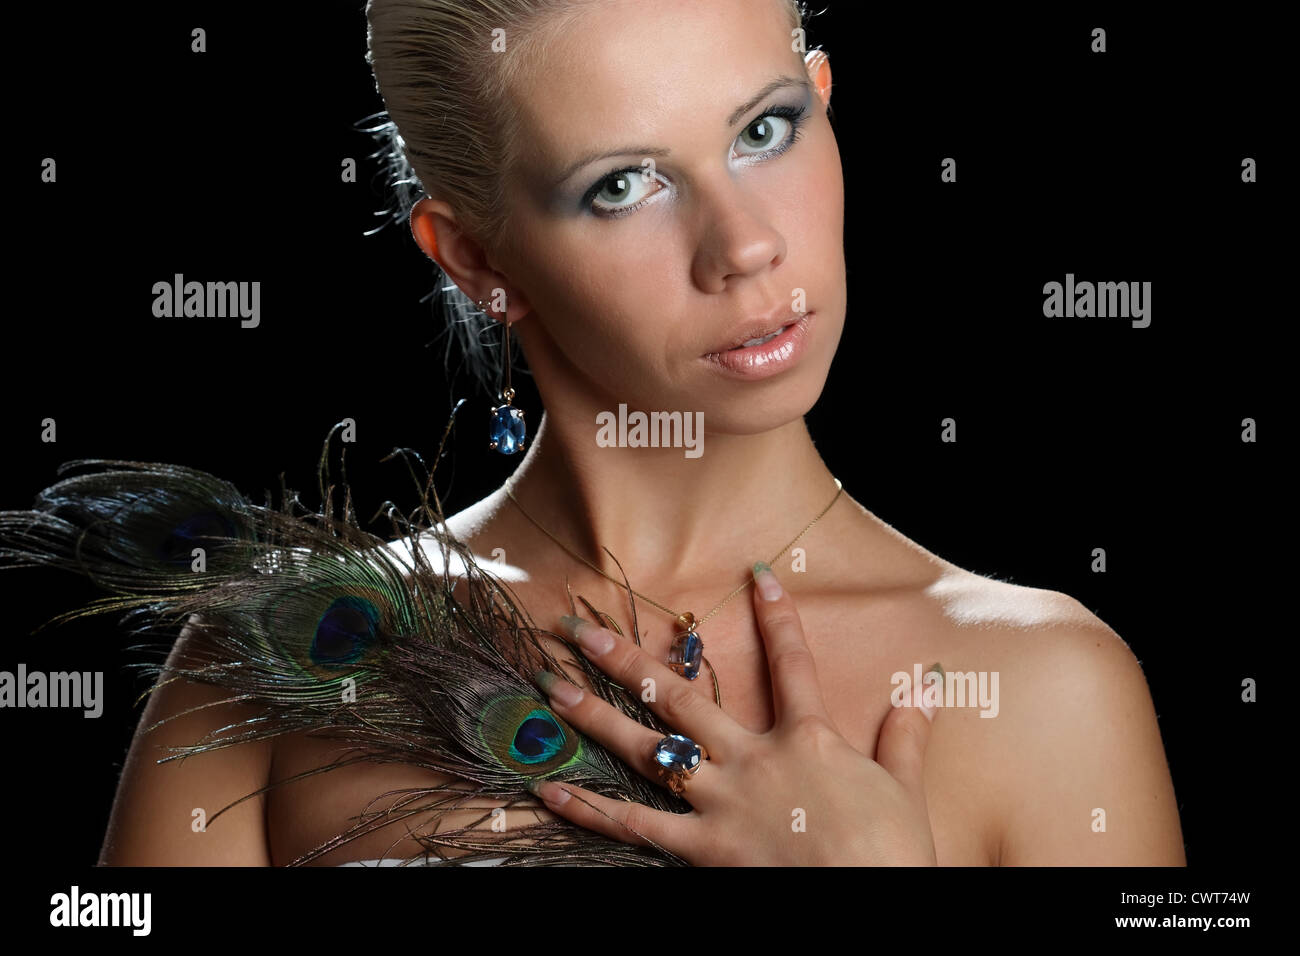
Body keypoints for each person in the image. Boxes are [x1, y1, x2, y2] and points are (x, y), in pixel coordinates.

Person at [97, 0, 1185, 865]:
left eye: (764, 131)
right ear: (473, 256)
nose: (745, 247)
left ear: (823, 100)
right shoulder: (278, 666)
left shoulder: (1046, 687)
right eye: (624, 184)